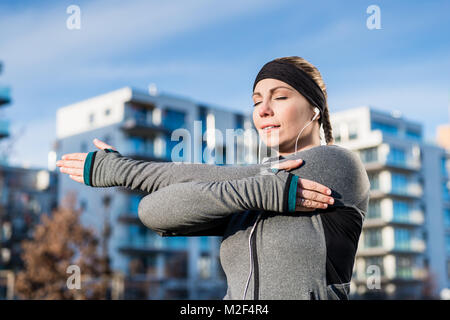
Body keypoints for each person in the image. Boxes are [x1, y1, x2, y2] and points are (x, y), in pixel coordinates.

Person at [56, 56, 370, 300]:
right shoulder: (255, 190)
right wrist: (257, 189)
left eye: (280, 97)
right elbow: (152, 212)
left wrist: (123, 171)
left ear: (315, 109)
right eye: (257, 101)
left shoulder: (338, 164)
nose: (263, 110)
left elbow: (224, 178)